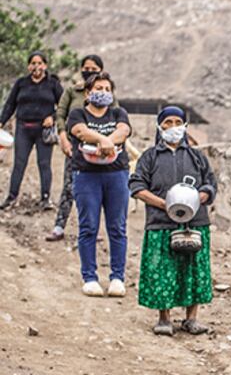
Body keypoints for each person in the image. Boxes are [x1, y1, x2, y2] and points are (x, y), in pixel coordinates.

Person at [128, 106, 217, 335]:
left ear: (185, 125)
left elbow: (210, 183)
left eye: (178, 122)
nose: (173, 127)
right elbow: (137, 186)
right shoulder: (150, 157)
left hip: (194, 223)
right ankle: (164, 319)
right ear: (160, 126)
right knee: (162, 270)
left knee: (193, 270)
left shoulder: (197, 156)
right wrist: (164, 204)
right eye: (168, 122)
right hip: (161, 223)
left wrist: (199, 198)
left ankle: (191, 319)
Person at [66, 72, 132, 297]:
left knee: (118, 227)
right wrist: (103, 139)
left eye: (107, 89)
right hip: (86, 175)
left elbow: (123, 131)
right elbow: (79, 131)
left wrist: (107, 141)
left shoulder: (118, 113)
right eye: (98, 89)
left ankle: (117, 278)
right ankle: (90, 278)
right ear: (87, 93)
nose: (103, 93)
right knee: (88, 227)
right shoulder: (78, 114)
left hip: (117, 174)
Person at [49, 54, 116, 241]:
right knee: (69, 186)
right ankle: (59, 225)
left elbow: (117, 119)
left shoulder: (107, 94)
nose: (89, 72)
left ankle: (92, 229)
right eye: (86, 68)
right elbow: (60, 114)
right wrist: (63, 138)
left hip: (100, 152)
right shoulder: (73, 91)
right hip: (75, 148)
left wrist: (108, 143)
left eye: (94, 69)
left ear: (101, 71)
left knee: (95, 190)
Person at [0, 52, 63, 210]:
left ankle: (45, 198)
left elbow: (63, 106)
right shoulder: (21, 83)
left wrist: (53, 117)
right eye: (33, 63)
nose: (36, 67)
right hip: (23, 128)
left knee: (44, 164)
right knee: (19, 164)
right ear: (28, 66)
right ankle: (11, 197)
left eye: (40, 63)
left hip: (44, 130)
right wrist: (2, 121)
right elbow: (10, 104)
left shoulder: (53, 84)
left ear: (45, 65)